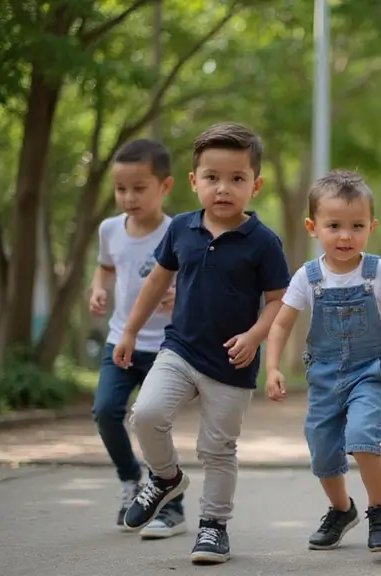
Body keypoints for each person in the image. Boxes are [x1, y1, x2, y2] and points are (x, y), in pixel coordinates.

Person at [112, 122, 291, 565]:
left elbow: (278, 301)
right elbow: (156, 282)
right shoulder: (181, 231)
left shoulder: (263, 242)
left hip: (232, 362)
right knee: (147, 414)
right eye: (212, 178)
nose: (223, 188)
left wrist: (254, 337)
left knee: (217, 449)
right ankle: (167, 477)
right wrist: (130, 331)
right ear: (194, 182)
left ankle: (213, 527)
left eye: (237, 179)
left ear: (256, 184)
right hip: (180, 350)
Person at [265, 169, 381, 553]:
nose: (345, 235)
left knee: (362, 436)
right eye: (334, 225)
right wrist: (270, 367)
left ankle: (380, 509)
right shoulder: (308, 276)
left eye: (356, 225)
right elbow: (281, 323)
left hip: (368, 372)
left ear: (371, 226)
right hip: (322, 376)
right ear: (313, 227)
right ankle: (340, 509)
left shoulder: (377, 272)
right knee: (322, 448)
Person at [89, 138, 185, 539]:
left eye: (138, 188)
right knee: (105, 410)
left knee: (154, 422)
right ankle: (131, 479)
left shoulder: (179, 231)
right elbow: (105, 267)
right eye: (120, 189)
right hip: (121, 341)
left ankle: (172, 506)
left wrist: (179, 294)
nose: (128, 197)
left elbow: (196, 281)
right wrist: (98, 288)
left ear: (165, 186)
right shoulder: (109, 229)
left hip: (166, 346)